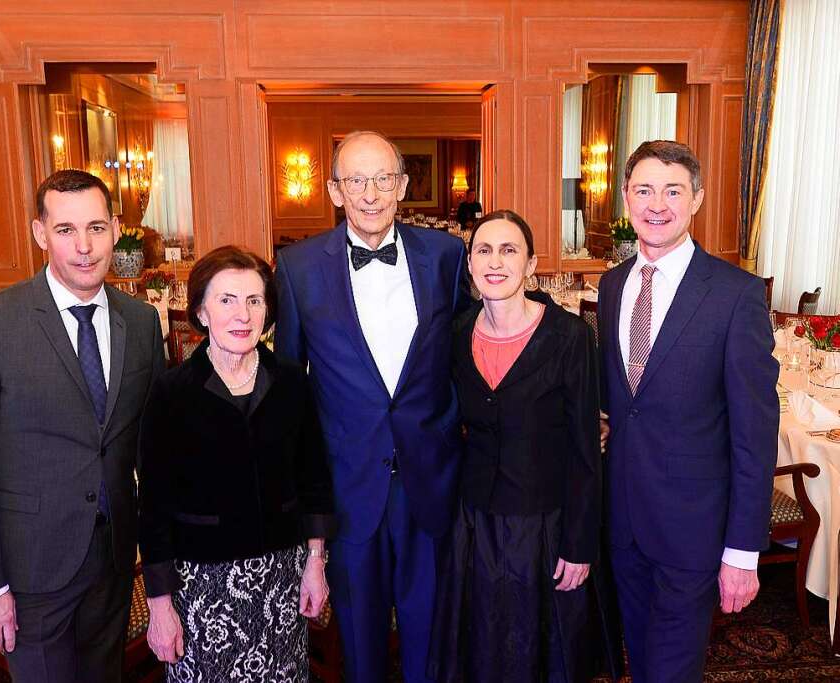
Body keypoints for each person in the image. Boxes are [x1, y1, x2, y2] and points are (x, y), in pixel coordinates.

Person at [0, 170, 166, 682]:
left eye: (95, 228)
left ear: (116, 228)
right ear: (40, 233)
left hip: (113, 561)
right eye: (66, 230)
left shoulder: (140, 321)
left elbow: (151, 456)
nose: (84, 247)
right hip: (29, 570)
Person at [275, 130, 470, 683]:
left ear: (403, 186)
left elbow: (466, 356)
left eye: (383, 179)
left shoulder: (447, 256)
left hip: (431, 482)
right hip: (347, 488)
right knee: (358, 649)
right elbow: (293, 391)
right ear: (334, 190)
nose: (370, 194)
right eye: (356, 180)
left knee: (431, 642)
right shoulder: (297, 267)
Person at [599, 140, 778, 682]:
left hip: (693, 529)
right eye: (644, 190)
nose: (657, 204)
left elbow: (755, 435)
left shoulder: (735, 295)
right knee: (640, 658)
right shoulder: (611, 286)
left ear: (696, 199)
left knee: (673, 671)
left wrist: (743, 552)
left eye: (673, 191)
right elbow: (624, 405)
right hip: (623, 522)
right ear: (626, 198)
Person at [138, 246, 336, 682]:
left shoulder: (290, 381)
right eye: (226, 300)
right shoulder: (172, 393)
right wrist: (159, 605)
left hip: (282, 579)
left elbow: (314, 478)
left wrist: (316, 562)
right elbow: (152, 508)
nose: (242, 315)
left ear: (268, 311)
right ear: (202, 312)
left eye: (254, 300)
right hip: (201, 586)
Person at [428, 210, 608, 682]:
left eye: (510, 250)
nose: (496, 261)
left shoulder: (570, 338)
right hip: (475, 524)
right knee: (481, 651)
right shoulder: (456, 334)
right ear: (469, 265)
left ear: (530, 265)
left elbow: (586, 451)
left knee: (541, 655)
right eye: (484, 250)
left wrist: (580, 544)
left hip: (545, 528)